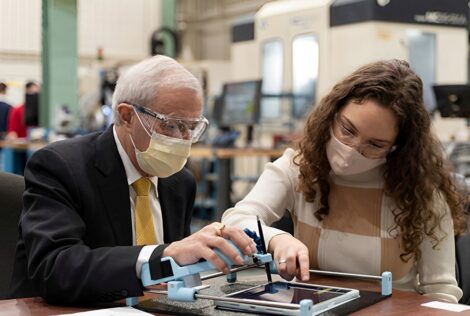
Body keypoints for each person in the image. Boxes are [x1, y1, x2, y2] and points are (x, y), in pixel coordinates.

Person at [9, 55, 256, 304]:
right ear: (127, 116)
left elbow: (172, 274)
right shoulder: (61, 166)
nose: (183, 139)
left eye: (192, 127)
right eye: (171, 125)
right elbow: (55, 268)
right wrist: (161, 255)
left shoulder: (179, 182)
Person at [222, 59, 468, 303]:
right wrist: (276, 239)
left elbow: (441, 291)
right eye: (347, 130)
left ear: (398, 147)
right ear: (332, 114)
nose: (352, 150)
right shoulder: (297, 167)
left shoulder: (421, 191)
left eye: (375, 145)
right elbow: (236, 220)